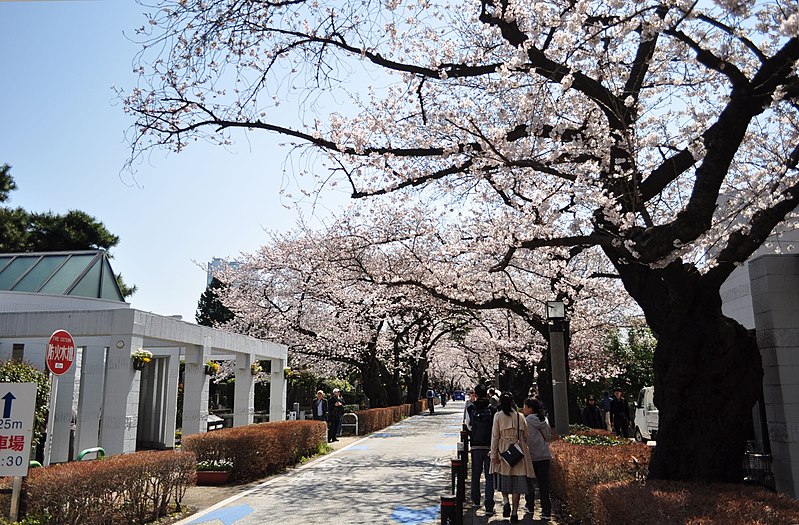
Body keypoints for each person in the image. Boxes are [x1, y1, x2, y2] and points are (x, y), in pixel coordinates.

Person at [490, 392, 534, 523]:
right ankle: (514, 512)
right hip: (518, 451)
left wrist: (493, 454)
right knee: (517, 484)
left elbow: (494, 437)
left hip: (503, 451)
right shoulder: (520, 416)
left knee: (504, 480)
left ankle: (505, 502)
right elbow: (526, 434)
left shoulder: (498, 416)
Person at [466, 384, 497, 514]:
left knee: (475, 474)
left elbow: (469, 426)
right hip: (489, 446)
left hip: (475, 446)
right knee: (489, 476)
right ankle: (489, 505)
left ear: (476, 394)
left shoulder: (471, 408)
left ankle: (476, 500)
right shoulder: (493, 409)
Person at [523, 397, 552, 521]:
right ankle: (546, 511)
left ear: (530, 408)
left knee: (529, 482)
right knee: (544, 485)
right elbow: (548, 437)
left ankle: (530, 506)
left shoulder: (527, 420)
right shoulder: (543, 419)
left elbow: (524, 437)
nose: (523, 408)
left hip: (531, 456)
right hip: (544, 455)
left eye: (524, 406)